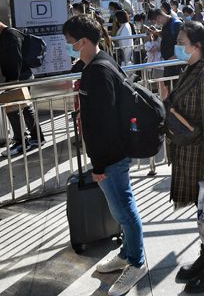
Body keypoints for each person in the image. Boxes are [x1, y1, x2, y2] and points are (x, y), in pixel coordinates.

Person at [62, 16, 147, 296]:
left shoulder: (97, 72)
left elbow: (104, 123)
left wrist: (99, 164)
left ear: (84, 41)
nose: (69, 47)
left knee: (124, 209)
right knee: (120, 208)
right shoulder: (101, 63)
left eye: (71, 42)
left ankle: (136, 262)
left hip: (111, 155)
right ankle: (127, 253)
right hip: (113, 153)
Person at [166, 20, 204, 292]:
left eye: (182, 43)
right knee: (202, 212)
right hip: (189, 153)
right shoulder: (192, 68)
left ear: (197, 45)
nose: (178, 46)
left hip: (202, 158)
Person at [0, 13, 44, 155]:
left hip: (18, 77)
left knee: (13, 109)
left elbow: (15, 58)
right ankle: (36, 138)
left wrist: (13, 81)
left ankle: (22, 142)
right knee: (24, 107)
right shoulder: (10, 33)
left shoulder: (9, 34)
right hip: (22, 76)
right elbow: (4, 57)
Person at [147, 8, 183, 99]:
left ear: (159, 17)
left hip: (175, 63)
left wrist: (173, 58)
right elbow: (166, 36)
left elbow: (183, 44)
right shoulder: (167, 24)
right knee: (169, 86)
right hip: (169, 62)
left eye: (156, 21)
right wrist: (156, 32)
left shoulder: (176, 24)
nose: (156, 23)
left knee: (175, 88)